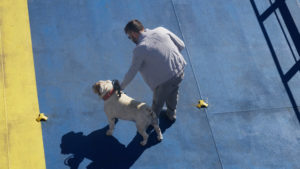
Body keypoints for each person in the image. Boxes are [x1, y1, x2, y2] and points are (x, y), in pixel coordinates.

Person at [120, 19, 186, 122]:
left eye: (130, 37)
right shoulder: (161, 30)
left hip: (164, 81)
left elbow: (132, 72)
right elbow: (181, 45)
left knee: (157, 103)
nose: (131, 39)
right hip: (180, 71)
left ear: (134, 33)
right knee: (173, 92)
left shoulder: (140, 49)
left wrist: (121, 86)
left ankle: (151, 120)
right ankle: (171, 114)